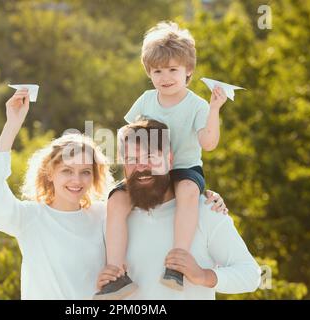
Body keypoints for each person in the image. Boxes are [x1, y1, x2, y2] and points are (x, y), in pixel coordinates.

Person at [0, 88, 227, 299]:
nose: (77, 180)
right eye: (67, 171)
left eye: (86, 171)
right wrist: (12, 125)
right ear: (50, 173)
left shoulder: (105, 214)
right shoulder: (30, 218)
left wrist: (202, 194)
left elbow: (152, 188)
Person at [103, 21, 229, 299]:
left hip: (183, 168)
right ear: (149, 73)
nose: (165, 77)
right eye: (157, 71)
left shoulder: (197, 104)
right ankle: (115, 273)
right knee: (116, 199)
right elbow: (128, 136)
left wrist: (215, 109)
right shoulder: (146, 99)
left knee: (186, 192)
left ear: (188, 71)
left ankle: (177, 264)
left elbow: (208, 143)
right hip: (149, 167)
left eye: (173, 69)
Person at [94, 118, 261, 300]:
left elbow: (250, 275)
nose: (141, 167)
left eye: (150, 157)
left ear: (169, 159)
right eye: (132, 159)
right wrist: (102, 280)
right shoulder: (111, 218)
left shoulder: (205, 210)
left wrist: (203, 276)